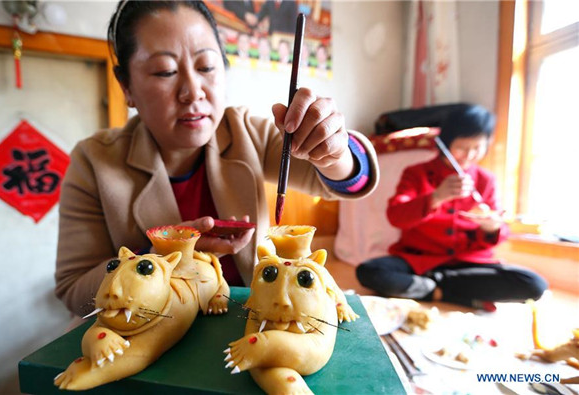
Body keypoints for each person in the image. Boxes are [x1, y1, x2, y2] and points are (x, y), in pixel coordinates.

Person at [54, 0, 379, 317]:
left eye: (206, 66)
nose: (192, 91)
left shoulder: (246, 132)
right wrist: (166, 254)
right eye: (165, 71)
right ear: (126, 86)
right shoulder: (94, 161)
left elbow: (347, 180)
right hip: (144, 334)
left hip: (251, 321)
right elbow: (74, 290)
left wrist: (334, 150)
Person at [356, 105, 547, 311]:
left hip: (467, 264)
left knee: (534, 285)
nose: (469, 155)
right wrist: (436, 197)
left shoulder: (485, 180)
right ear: (445, 144)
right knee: (370, 271)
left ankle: (432, 289)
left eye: (477, 148)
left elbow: (497, 232)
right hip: (419, 260)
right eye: (462, 148)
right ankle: (458, 293)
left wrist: (491, 227)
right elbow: (395, 216)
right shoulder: (416, 173)